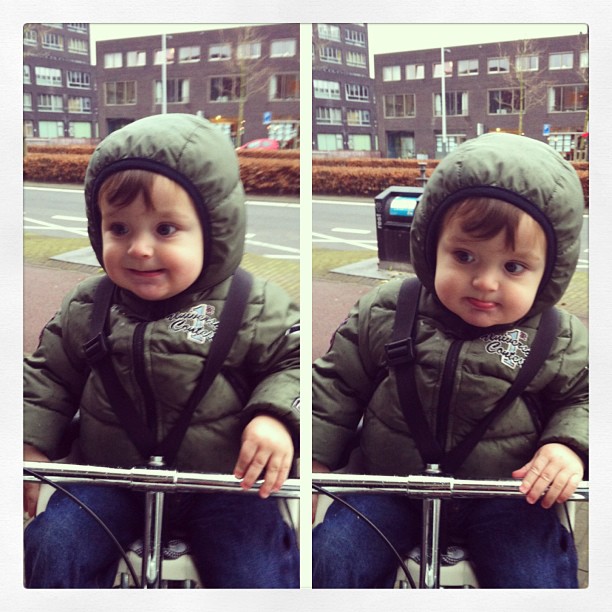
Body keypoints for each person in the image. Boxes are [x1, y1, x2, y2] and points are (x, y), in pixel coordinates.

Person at [23, 114, 300, 588]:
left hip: (224, 485)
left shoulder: (255, 305)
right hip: (111, 480)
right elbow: (48, 377)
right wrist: (29, 446)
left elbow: (293, 365)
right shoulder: (89, 304)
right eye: (119, 229)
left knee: (256, 570)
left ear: (215, 229)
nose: (139, 249)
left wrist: (275, 417)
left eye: (166, 229)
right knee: (53, 544)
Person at [312, 132, 587, 588]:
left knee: (534, 576)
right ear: (430, 245)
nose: (485, 282)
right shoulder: (388, 310)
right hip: (389, 486)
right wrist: (314, 457)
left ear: (549, 272)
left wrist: (568, 446)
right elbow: (337, 384)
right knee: (331, 559)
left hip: (506, 496)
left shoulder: (558, 337)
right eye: (464, 256)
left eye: (513, 267)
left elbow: (585, 398)